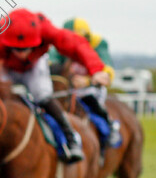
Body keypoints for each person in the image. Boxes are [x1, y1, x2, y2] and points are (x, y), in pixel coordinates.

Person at [0, 8, 112, 163]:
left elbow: (75, 44)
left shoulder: (45, 29)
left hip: (34, 66)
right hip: (6, 66)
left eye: (27, 48)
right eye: (17, 49)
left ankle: (70, 136)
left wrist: (96, 69)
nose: (22, 54)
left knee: (42, 95)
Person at [49, 17, 120, 147]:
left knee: (90, 99)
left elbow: (108, 73)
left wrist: (87, 81)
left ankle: (110, 126)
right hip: (67, 89)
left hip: (91, 89)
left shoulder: (98, 44)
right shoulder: (59, 47)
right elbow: (51, 63)